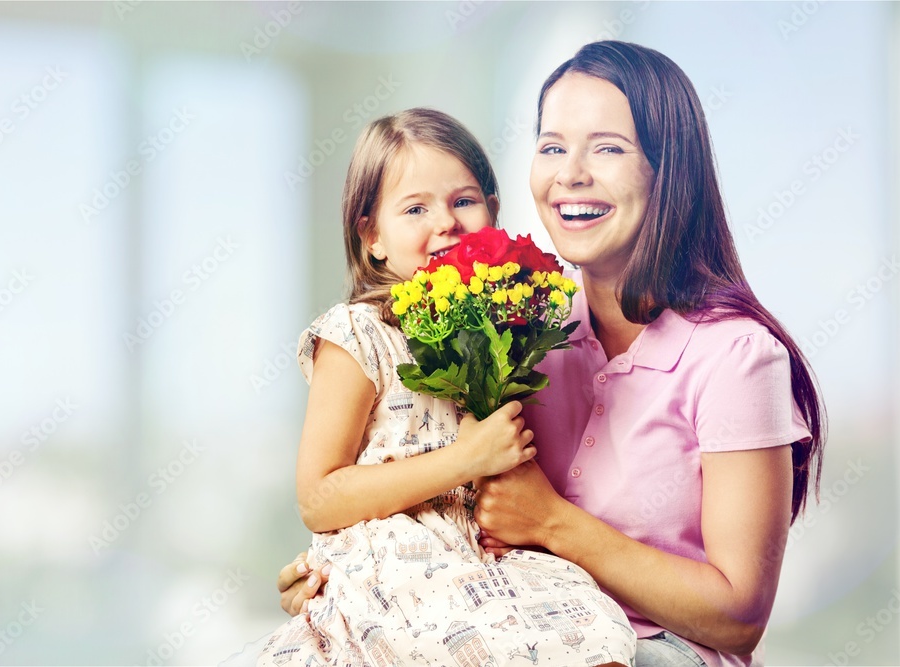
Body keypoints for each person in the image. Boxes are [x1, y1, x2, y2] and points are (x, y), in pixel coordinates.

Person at [276, 42, 825, 667]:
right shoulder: (516, 333)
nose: (571, 173)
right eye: (553, 146)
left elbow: (738, 619)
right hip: (505, 624)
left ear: (668, 171)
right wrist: (354, 584)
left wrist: (550, 522)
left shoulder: (738, 357)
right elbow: (425, 493)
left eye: (609, 147)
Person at [253, 108, 635, 667]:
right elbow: (318, 498)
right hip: (396, 562)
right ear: (372, 236)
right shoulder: (357, 334)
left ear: (494, 212)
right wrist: (465, 460)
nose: (446, 222)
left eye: (464, 201)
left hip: (483, 558)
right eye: (415, 208)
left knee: (599, 631)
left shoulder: (499, 324)